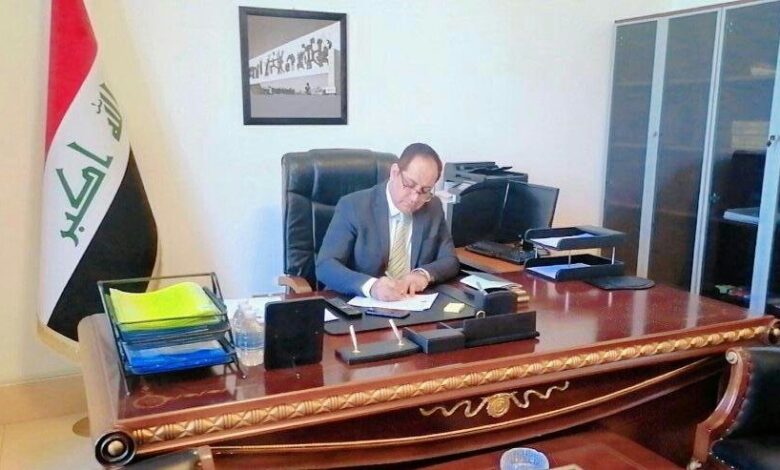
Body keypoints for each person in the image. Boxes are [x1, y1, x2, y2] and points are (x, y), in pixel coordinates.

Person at [316, 143, 459, 301]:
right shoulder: (353, 206)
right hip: (359, 304)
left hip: (411, 303)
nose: (414, 198)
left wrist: (423, 275)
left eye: (424, 191)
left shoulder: (433, 207)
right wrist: (372, 287)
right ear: (394, 172)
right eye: (409, 185)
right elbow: (326, 266)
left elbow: (450, 260)